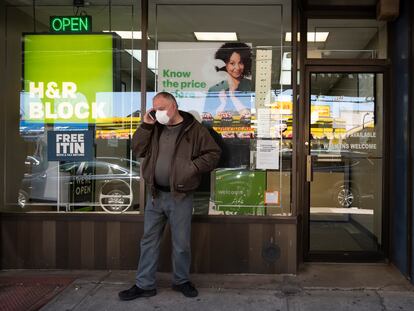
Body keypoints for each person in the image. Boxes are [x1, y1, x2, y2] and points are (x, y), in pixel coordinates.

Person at [118, 92, 221, 300]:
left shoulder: (195, 130)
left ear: (174, 106)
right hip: (155, 195)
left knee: (181, 243)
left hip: (180, 196)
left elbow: (213, 154)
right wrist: (145, 126)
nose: (159, 113)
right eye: (155, 109)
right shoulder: (154, 127)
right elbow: (137, 148)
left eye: (162, 108)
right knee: (148, 240)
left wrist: (191, 167)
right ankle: (144, 284)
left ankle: (181, 281)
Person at [207, 42, 252, 115]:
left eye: (240, 63)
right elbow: (207, 120)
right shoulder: (215, 90)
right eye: (232, 63)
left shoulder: (252, 87)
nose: (237, 68)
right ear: (224, 64)